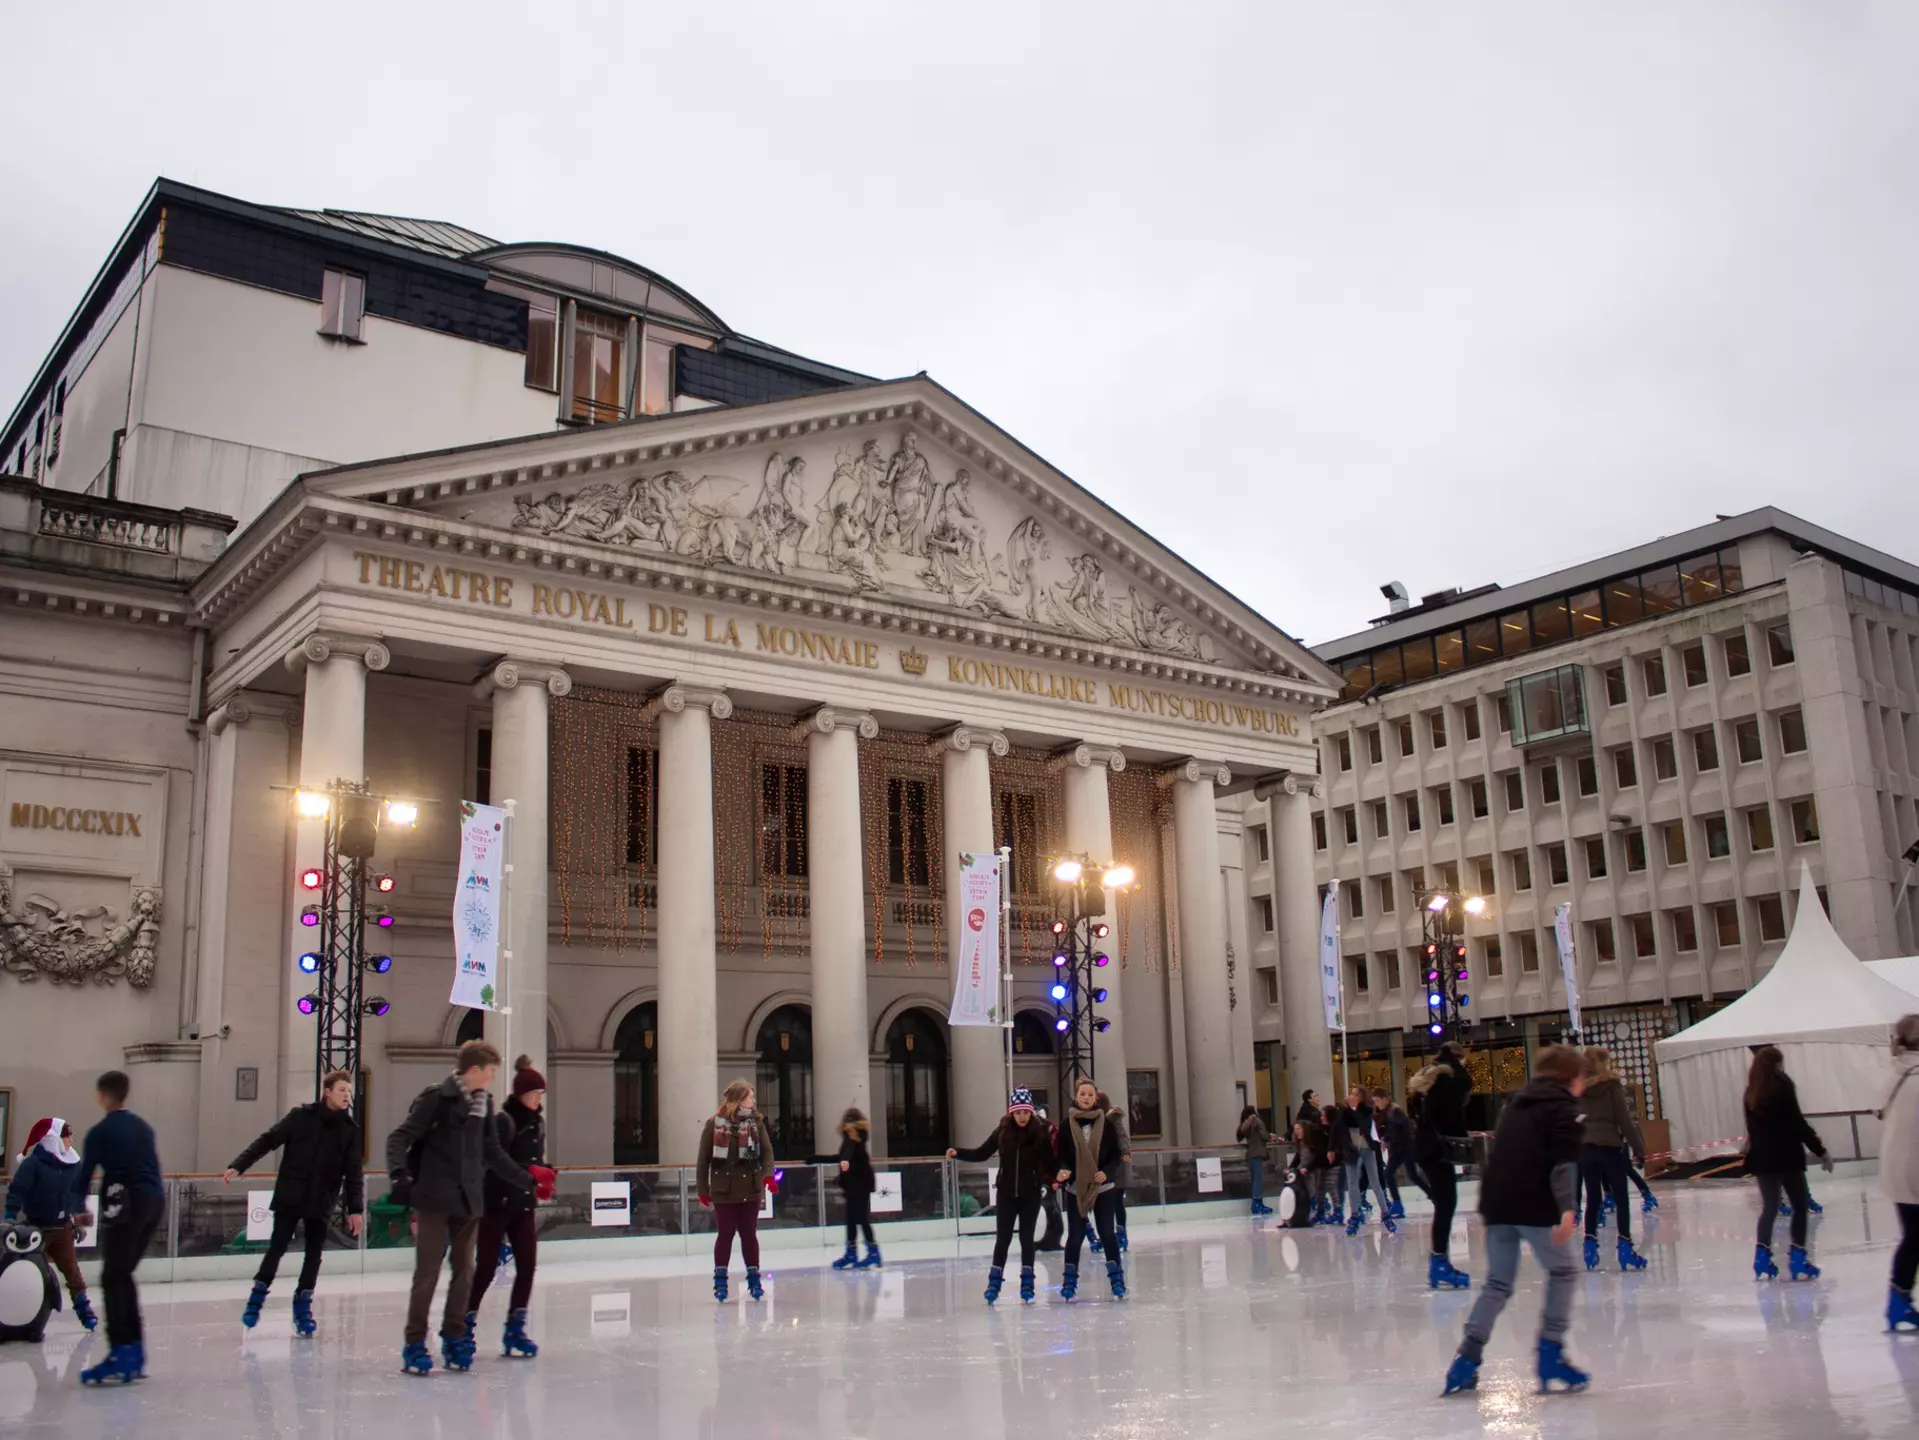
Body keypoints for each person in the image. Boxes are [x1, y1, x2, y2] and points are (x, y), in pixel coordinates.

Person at [1444, 1046, 1590, 1396]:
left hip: (1498, 1202)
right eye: (1583, 1078)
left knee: (1498, 1283)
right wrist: (1567, 1209)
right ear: (1571, 1078)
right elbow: (1562, 1163)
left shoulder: (1516, 1104)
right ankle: (1550, 1352)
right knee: (1564, 1270)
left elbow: (1499, 1155)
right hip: (1534, 1202)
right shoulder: (1562, 1109)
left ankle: (1466, 1358)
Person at [386, 1039, 535, 1376]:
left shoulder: (483, 1104)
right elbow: (399, 1137)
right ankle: (414, 1342)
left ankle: (454, 1336)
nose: (493, 1078)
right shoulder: (436, 1099)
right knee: (427, 1274)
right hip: (434, 1199)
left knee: (465, 1272)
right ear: (474, 1071)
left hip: (468, 1201)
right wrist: (400, 1177)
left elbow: (493, 1153)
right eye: (491, 1071)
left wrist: (525, 1179)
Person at [223, 1068, 365, 1335]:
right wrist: (239, 1165)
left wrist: (355, 1209)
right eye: (341, 1090)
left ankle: (303, 1307)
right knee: (276, 1248)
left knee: (313, 1256)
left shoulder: (349, 1130)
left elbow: (354, 1173)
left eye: (349, 1091)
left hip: (321, 1200)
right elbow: (268, 1140)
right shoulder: (301, 1117)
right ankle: (256, 1299)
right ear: (327, 1093)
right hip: (292, 1195)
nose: (347, 1095)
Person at [75, 1070, 164, 1385]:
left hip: (126, 1205)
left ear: (101, 1096)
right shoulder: (143, 1128)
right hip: (154, 1202)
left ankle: (121, 1353)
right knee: (122, 1273)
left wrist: (78, 1209)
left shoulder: (99, 1132)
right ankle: (134, 1352)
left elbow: (84, 1175)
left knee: (113, 1275)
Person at [466, 1057, 557, 1358]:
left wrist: (544, 1175)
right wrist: (531, 1174)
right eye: (534, 1093)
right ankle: (465, 1322)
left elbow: (535, 1159)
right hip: (497, 1203)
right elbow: (494, 1161)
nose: (538, 1099)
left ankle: (515, 1327)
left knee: (528, 1265)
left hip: (523, 1205)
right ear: (520, 1094)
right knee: (487, 1268)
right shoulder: (505, 1121)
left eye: (541, 1094)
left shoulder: (537, 1124)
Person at [948, 1087, 1055, 1303]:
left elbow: (1050, 1162)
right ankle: (994, 1283)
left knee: (1027, 1240)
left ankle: (1027, 1283)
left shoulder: (1039, 1133)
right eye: (1018, 1113)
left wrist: (1060, 1174)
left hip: (1030, 1195)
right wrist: (958, 1152)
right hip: (1006, 1194)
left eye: (1025, 1112)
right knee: (1003, 1239)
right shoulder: (1003, 1131)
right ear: (1011, 1113)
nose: (1022, 1117)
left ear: (1030, 1112)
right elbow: (982, 1152)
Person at [1744, 1044, 1831, 1281]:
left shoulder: (1751, 1091)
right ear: (1776, 1064)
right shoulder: (1782, 1086)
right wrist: (1820, 1149)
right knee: (1800, 1206)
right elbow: (1797, 1122)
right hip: (1787, 1155)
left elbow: (1752, 1130)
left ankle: (1761, 1257)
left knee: (1770, 1207)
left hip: (1763, 1158)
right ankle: (1798, 1258)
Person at [4, 1119, 95, 1332]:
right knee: (34, 1274)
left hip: (63, 1229)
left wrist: (78, 1221)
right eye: (67, 1136)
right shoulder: (33, 1163)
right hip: (36, 1230)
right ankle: (27, 1315)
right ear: (52, 1138)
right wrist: (9, 1216)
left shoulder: (73, 1164)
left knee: (73, 1273)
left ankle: (85, 1312)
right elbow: (18, 1190)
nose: (71, 1141)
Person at [696, 1079, 776, 1303]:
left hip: (750, 1188)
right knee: (726, 1234)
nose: (753, 1100)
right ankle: (720, 1279)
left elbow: (767, 1153)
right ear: (739, 1100)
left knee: (749, 1234)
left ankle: (754, 1278)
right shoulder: (714, 1124)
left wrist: (768, 1175)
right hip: (724, 1190)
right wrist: (703, 1190)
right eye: (750, 1096)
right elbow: (703, 1161)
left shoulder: (756, 1123)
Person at [1055, 1077, 1127, 1301]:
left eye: (1089, 1094)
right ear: (1076, 1097)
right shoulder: (1067, 1125)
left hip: (1103, 1187)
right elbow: (1061, 1155)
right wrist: (1065, 1170)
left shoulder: (1106, 1124)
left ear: (1096, 1098)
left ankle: (1117, 1279)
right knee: (1075, 1237)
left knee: (1107, 1233)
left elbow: (1116, 1154)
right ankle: (1069, 1281)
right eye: (1082, 1094)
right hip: (1076, 1188)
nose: (1085, 1098)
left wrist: (1106, 1171)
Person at [1578, 1048, 1649, 1272]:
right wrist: (1639, 1148)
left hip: (1586, 1148)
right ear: (1603, 1063)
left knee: (1593, 1199)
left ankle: (1589, 1246)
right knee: (1621, 1197)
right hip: (1609, 1146)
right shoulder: (1612, 1086)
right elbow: (1624, 1121)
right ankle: (1625, 1246)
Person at [1410, 1042, 1475, 1289]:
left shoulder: (1432, 1082)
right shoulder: (1447, 1083)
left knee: (1445, 1203)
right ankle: (1439, 1262)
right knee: (1447, 1203)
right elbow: (1452, 1113)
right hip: (1435, 1151)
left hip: (1428, 1149)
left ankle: (1440, 1260)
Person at [1883, 1014, 1919, 1331]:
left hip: (1898, 1170)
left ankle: (1898, 1300)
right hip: (1914, 1171)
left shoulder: (1895, 1072)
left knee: (1914, 1238)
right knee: (1915, 1239)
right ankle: (1898, 1300)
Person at [1332, 1085, 1394, 1236]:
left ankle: (1385, 1213)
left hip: (1366, 1148)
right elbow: (1338, 1128)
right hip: (1351, 1150)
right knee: (1352, 1183)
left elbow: (1364, 1125)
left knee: (1375, 1182)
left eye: (1354, 1095)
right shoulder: (1344, 1112)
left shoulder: (1367, 1111)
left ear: (1360, 1098)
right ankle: (1354, 1215)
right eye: (1351, 1094)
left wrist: (1354, 1109)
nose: (1351, 1096)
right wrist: (1332, 1148)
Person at [834, 1107, 881, 1271]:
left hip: (858, 1184)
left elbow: (847, 1151)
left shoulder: (851, 1136)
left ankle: (871, 1252)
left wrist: (845, 1160)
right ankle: (854, 1252)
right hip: (857, 1183)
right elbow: (844, 1156)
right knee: (853, 1219)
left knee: (860, 1218)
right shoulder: (858, 1137)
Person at [1377, 1095, 1427, 1219]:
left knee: (1407, 1175)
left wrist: (1391, 1139)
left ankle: (1399, 1204)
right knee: (1401, 1175)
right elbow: (1394, 1130)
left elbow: (1406, 1125)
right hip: (1399, 1148)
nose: (1377, 1104)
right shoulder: (1389, 1112)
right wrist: (1386, 1139)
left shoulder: (1395, 1111)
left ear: (1385, 1099)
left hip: (1403, 1148)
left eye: (1377, 1101)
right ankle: (1398, 1204)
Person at [1097, 1090, 1132, 1252]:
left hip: (1118, 1168)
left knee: (1115, 1202)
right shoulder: (1100, 1120)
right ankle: (1108, 1236)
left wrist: (1125, 1152)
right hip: (1108, 1167)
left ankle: (1120, 1235)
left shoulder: (1112, 1119)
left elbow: (1122, 1137)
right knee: (1108, 1204)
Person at [1238, 1105, 1273, 1216]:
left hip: (1251, 1154)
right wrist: (1270, 1137)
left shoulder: (1246, 1124)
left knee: (1255, 1180)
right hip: (1258, 1153)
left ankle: (1258, 1203)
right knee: (1258, 1180)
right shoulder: (1257, 1121)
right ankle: (1257, 1203)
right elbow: (1263, 1135)